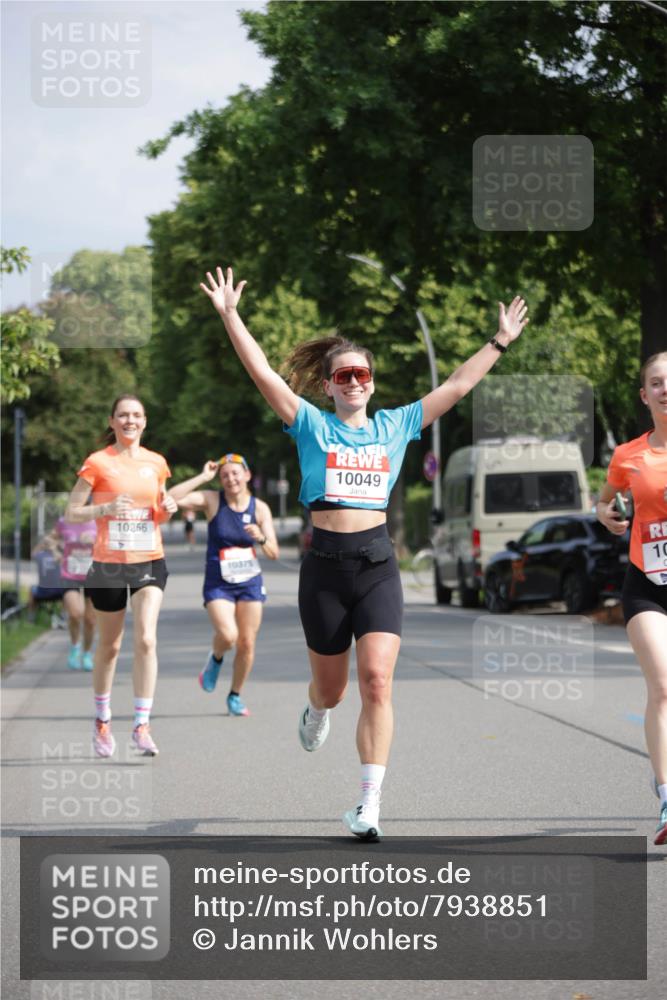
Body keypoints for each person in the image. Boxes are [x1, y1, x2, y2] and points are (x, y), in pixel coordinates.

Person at [201, 265, 528, 840]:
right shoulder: (309, 425)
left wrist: (499, 341)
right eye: (343, 374)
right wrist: (231, 315)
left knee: (377, 681)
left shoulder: (398, 425)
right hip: (325, 568)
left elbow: (454, 387)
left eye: (363, 373)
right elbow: (262, 373)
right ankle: (317, 710)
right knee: (333, 688)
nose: (354, 380)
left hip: (377, 564)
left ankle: (369, 804)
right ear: (328, 385)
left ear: (373, 383)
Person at [66, 394, 178, 758]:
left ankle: (142, 725)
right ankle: (102, 720)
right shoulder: (98, 462)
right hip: (108, 564)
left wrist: (169, 509)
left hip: (149, 559)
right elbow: (72, 512)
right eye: (123, 415)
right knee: (110, 646)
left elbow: (158, 511)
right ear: (112, 421)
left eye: (136, 415)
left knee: (146, 639)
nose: (130, 420)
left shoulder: (157, 463)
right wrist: (107, 507)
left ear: (145, 422)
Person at [596, 351, 667, 846]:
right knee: (663, 685)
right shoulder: (628, 455)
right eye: (657, 383)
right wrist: (608, 516)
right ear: (645, 395)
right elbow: (605, 502)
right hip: (647, 583)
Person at [168, 453, 279, 716]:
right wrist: (203, 477)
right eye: (224, 475)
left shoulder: (260, 508)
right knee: (228, 635)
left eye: (235, 473)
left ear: (247, 475)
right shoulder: (212, 500)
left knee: (247, 642)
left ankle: (235, 695)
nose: (230, 479)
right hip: (219, 582)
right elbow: (172, 496)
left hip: (250, 581)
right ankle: (215, 659)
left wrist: (261, 537)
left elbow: (273, 552)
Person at [51, 515, 97, 670]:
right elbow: (51, 539)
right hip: (70, 573)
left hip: (94, 573)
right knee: (75, 613)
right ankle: (75, 647)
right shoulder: (64, 521)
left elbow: (112, 543)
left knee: (90, 620)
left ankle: (87, 653)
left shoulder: (99, 521)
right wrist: (55, 552)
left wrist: (94, 543)